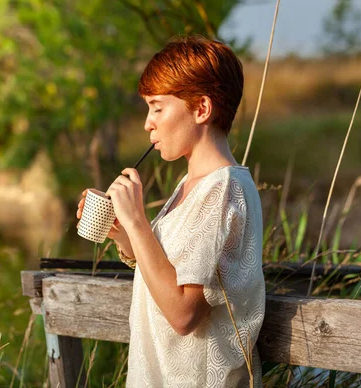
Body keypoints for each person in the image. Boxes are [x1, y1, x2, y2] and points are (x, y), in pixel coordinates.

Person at [76, 35, 265, 387]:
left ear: (201, 109)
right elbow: (170, 272)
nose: (148, 122)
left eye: (157, 107)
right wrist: (124, 229)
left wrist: (138, 221)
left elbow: (183, 314)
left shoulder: (222, 190)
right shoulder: (190, 186)